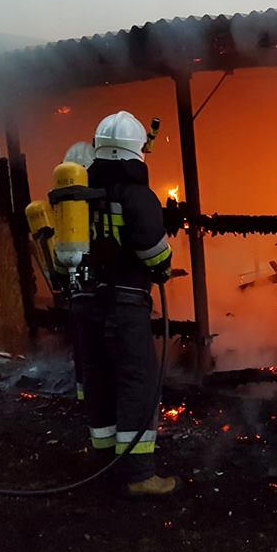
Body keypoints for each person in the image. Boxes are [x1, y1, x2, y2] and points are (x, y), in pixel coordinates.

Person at [72, 111, 178, 497]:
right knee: (138, 382)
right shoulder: (135, 195)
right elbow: (152, 250)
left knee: (99, 378)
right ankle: (138, 473)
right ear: (136, 153)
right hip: (125, 304)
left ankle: (103, 462)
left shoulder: (81, 193)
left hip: (87, 303)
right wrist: (164, 266)